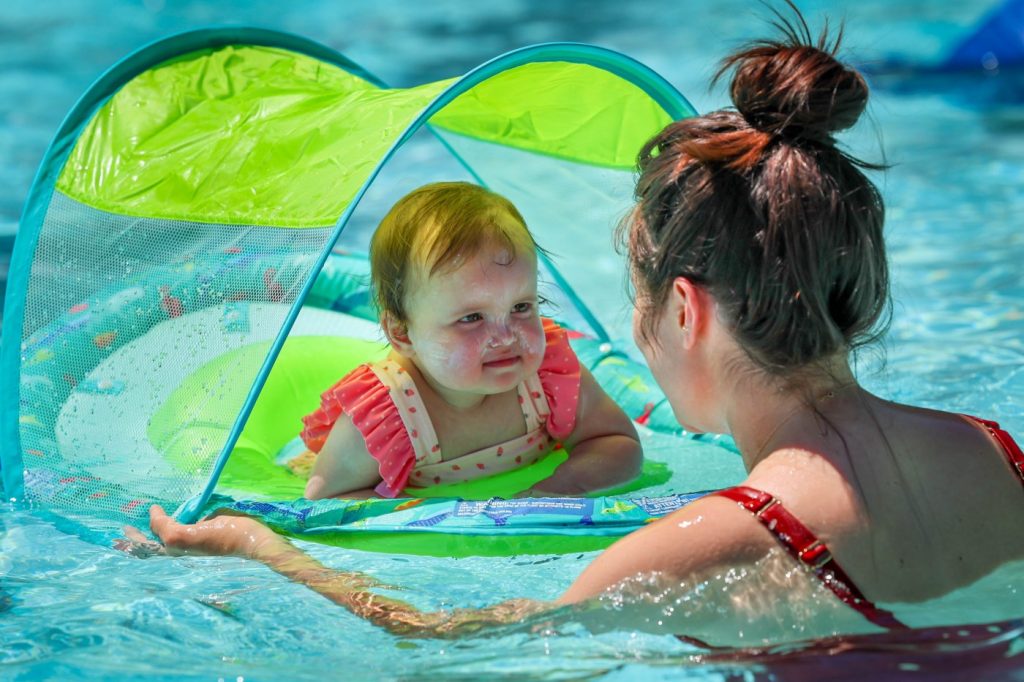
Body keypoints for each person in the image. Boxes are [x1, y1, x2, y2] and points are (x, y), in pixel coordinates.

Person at [126, 15, 1024, 645]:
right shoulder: (997, 454)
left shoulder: (711, 542)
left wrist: (261, 549)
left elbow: (446, 647)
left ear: (684, 310)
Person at [293, 181, 642, 499]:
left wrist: (559, 488)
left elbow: (617, 443)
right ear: (402, 333)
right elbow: (324, 501)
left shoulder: (548, 375)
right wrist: (430, 520)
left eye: (521, 307)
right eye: (472, 318)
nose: (506, 337)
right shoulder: (386, 415)